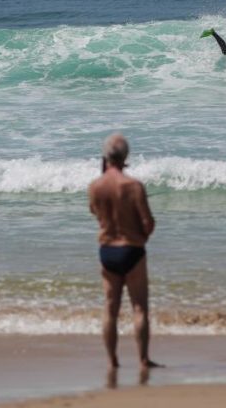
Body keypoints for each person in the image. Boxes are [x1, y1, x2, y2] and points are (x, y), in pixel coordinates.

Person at [88, 133, 160, 370]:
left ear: (105, 156)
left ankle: (112, 360)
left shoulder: (95, 186)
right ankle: (143, 359)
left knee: (110, 308)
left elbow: (95, 213)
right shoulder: (134, 186)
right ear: (126, 156)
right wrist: (142, 238)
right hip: (132, 249)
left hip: (107, 251)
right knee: (139, 307)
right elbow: (148, 222)